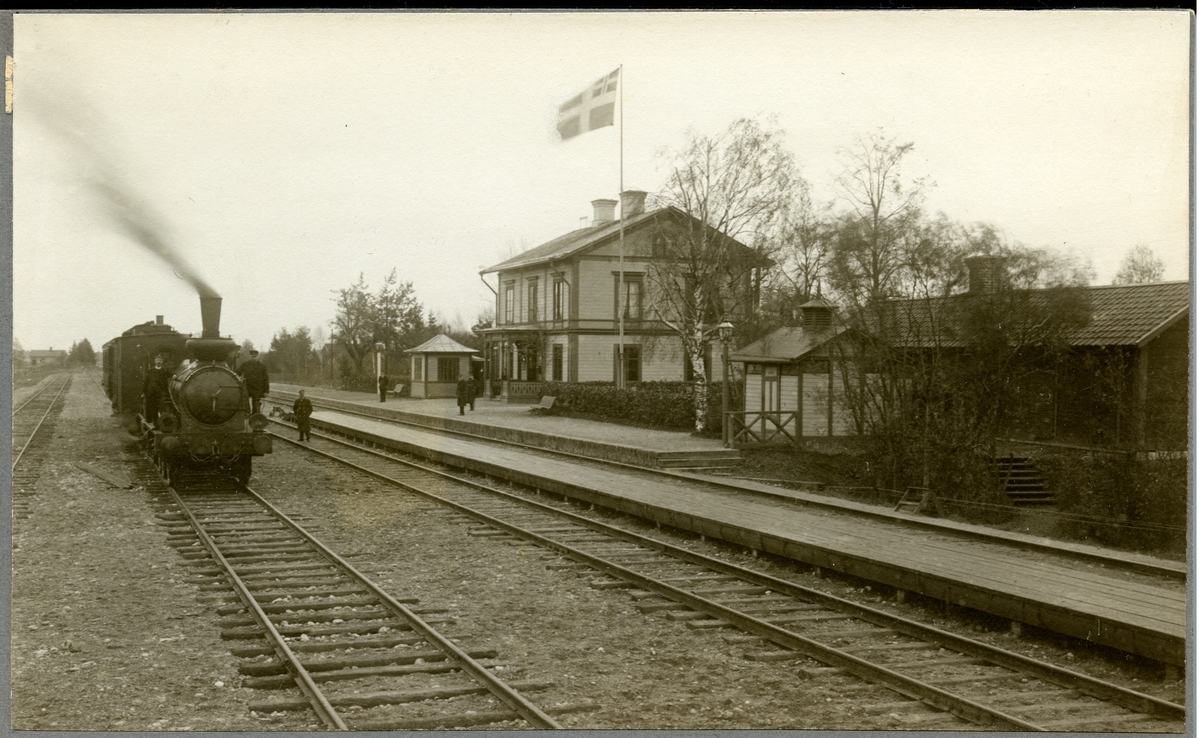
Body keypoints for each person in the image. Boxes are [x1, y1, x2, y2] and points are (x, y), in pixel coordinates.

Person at [142, 355, 172, 427]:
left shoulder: (164, 370)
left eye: (160, 360)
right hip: (152, 393)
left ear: (162, 362)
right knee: (153, 408)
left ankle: (162, 423)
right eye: (157, 360)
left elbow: (171, 374)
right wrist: (143, 391)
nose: (159, 362)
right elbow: (146, 381)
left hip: (161, 393)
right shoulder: (150, 371)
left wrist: (174, 375)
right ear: (155, 361)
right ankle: (155, 423)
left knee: (162, 408)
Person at [238, 349, 270, 414]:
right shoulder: (245, 364)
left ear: (258, 357)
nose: (254, 358)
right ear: (250, 357)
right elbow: (237, 373)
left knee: (256, 406)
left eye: (255, 357)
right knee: (245, 402)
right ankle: (247, 414)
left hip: (258, 388)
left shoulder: (262, 366)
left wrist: (266, 391)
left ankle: (255, 417)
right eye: (252, 357)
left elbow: (266, 379)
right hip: (247, 387)